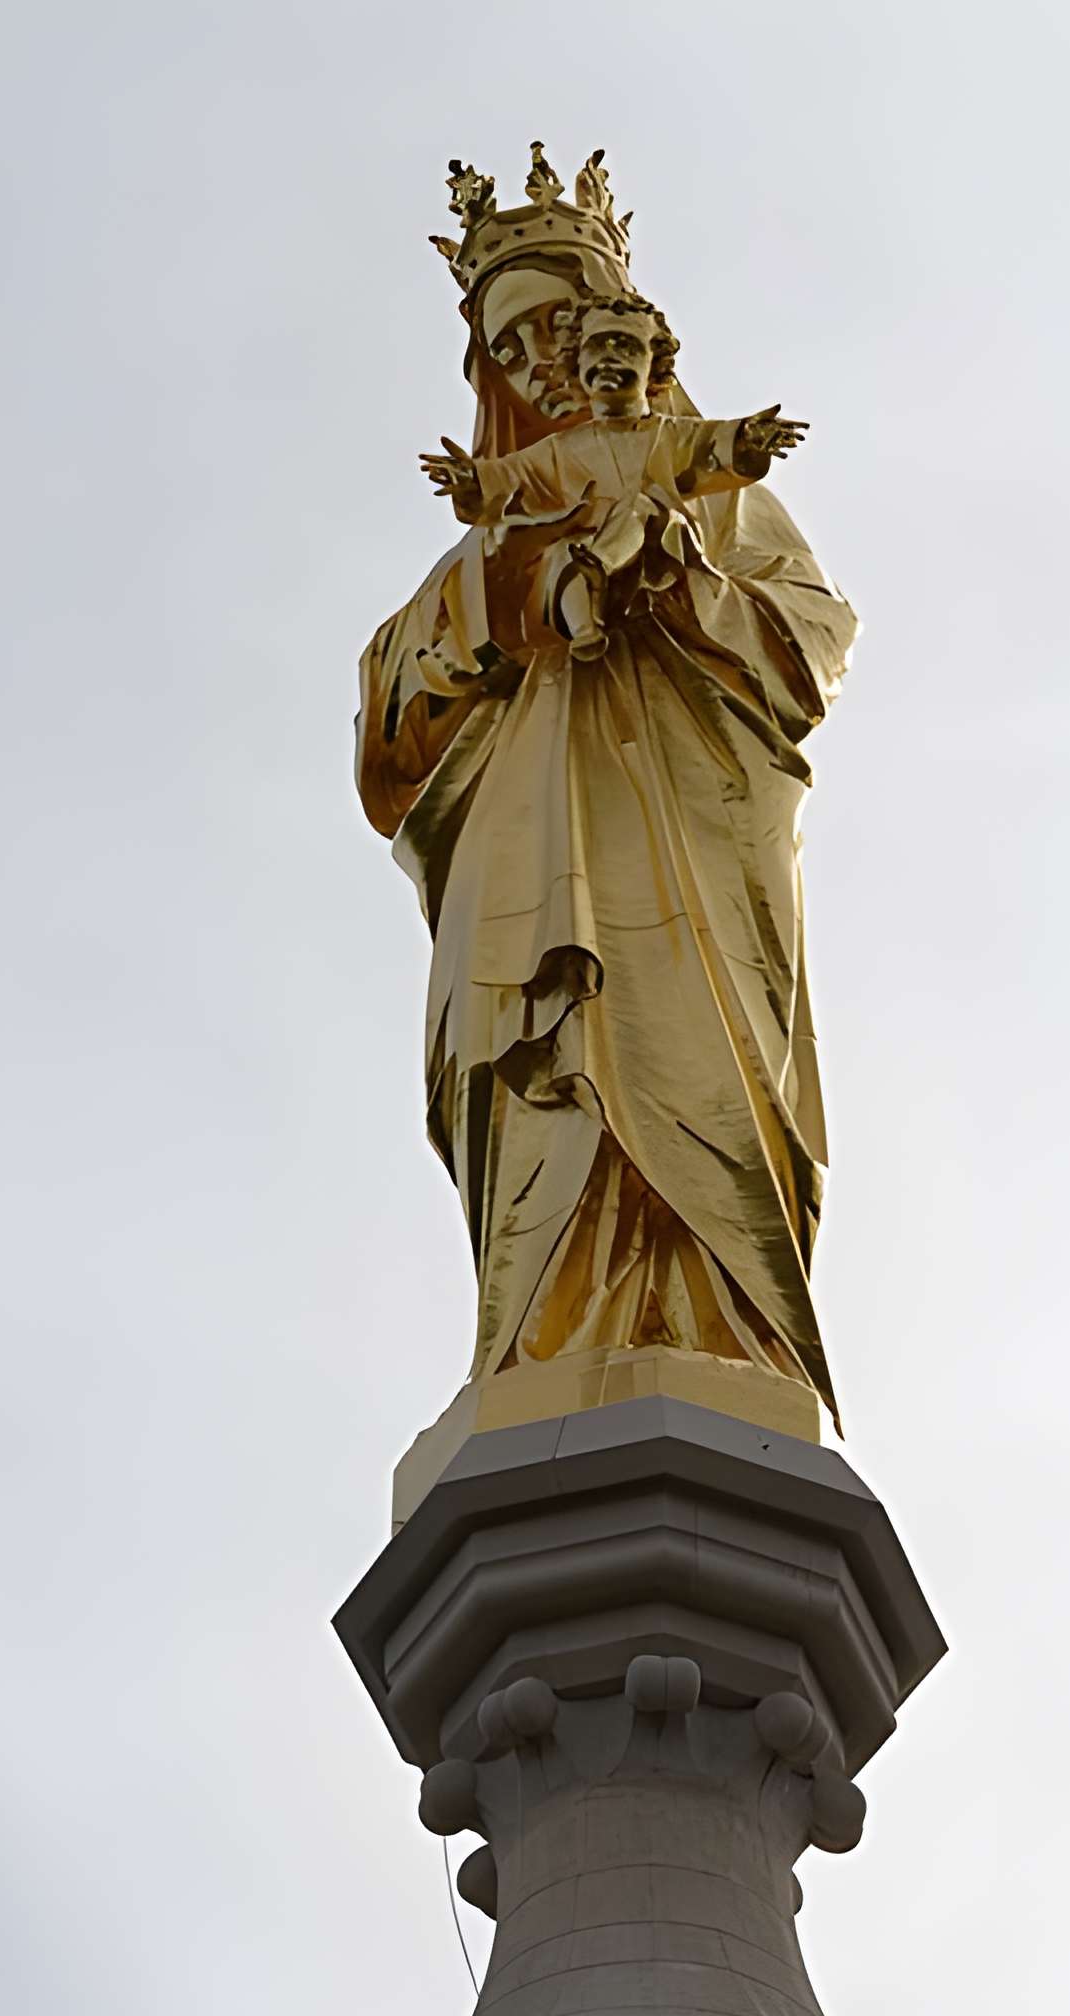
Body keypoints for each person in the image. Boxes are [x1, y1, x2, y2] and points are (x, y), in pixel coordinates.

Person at [358, 187, 858, 1436]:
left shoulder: (715, 498)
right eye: (508, 345)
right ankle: (542, 1338)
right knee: (541, 1065)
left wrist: (679, 580)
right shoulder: (484, 545)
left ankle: (717, 1327)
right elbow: (388, 731)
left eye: (554, 324)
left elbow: (809, 643)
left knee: (695, 1059)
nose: (539, 360)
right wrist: (511, 593)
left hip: (687, 843)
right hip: (524, 848)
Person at [420, 294, 807, 665]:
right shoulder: (563, 449)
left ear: (654, 364)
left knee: (640, 509)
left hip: (660, 555)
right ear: (576, 360)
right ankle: (585, 626)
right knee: (563, 553)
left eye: (625, 346)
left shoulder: (670, 434)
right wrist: (471, 481)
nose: (608, 357)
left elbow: (717, 445)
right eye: (596, 346)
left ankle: (594, 570)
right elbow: (509, 479)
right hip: (579, 563)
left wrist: (749, 439)